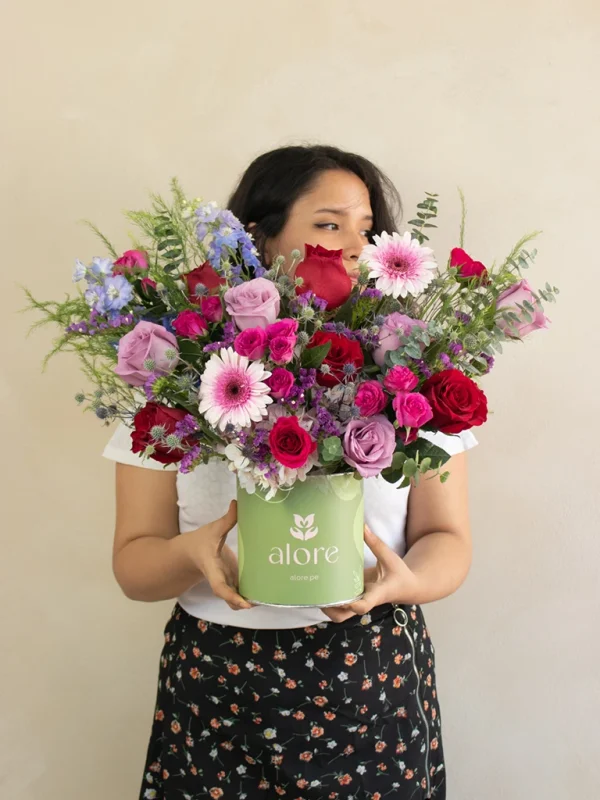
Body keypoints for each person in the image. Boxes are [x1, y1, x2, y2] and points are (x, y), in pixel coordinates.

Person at [102, 144, 479, 800]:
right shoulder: (175, 381)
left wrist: (398, 584)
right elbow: (135, 566)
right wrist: (195, 552)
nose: (355, 246)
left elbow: (447, 537)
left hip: (369, 673)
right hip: (214, 683)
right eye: (329, 224)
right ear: (261, 238)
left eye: (366, 228)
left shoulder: (414, 379)